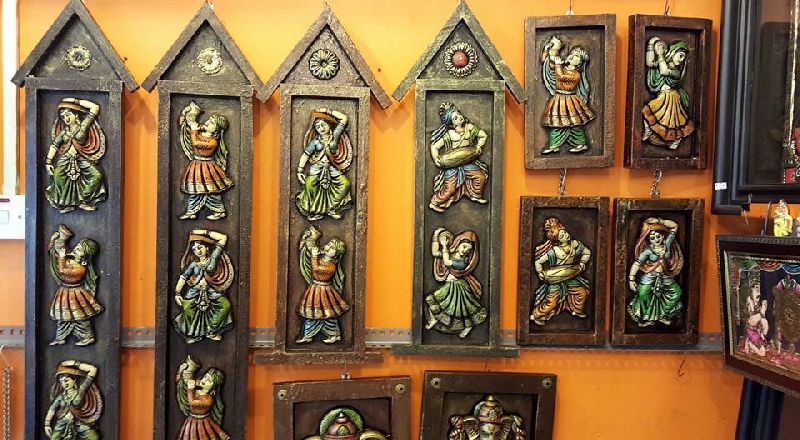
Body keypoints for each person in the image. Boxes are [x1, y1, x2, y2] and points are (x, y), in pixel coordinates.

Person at [45, 98, 107, 213]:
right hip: (66, 159)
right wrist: (48, 162)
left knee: (96, 175)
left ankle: (85, 200)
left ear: (76, 115)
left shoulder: (83, 126)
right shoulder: (64, 132)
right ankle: (65, 203)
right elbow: (54, 146)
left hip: (81, 158)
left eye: (68, 115)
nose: (66, 119)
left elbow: (95, 108)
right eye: (63, 117)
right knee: (57, 175)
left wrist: (74, 101)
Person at [173, 230, 234, 343]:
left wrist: (202, 232)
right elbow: (183, 277)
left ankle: (212, 331)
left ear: (207, 247)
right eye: (195, 249)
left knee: (225, 305)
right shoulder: (193, 265)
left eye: (200, 247)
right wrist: (177, 293)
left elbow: (223, 238)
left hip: (212, 291)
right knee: (187, 309)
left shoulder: (213, 259)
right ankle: (193, 334)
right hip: (195, 291)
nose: (198, 251)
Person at [425, 228, 486, 338]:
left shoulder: (463, 262)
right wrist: (436, 236)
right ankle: (433, 319)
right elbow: (435, 253)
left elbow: (447, 262)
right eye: (464, 247)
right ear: (457, 244)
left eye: (468, 250)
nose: (465, 251)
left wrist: (444, 246)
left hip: (459, 288)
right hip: (449, 286)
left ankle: (468, 327)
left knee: (463, 310)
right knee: (432, 300)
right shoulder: (451, 254)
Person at [48, 225, 103, 346]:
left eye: (78, 250)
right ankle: (60, 337)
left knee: (80, 317)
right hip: (64, 292)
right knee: (63, 316)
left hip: (75, 294)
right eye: (77, 247)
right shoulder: (70, 259)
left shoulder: (80, 268)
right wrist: (53, 241)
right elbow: (54, 253)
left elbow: (63, 270)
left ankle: (87, 336)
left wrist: (62, 258)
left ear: (84, 256)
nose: (75, 250)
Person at [429, 102, 489, 212]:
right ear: (452, 123)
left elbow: (483, 135)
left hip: (467, 162)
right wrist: (436, 159)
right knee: (450, 189)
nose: (459, 117)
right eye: (455, 118)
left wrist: (478, 146)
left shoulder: (469, 128)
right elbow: (434, 146)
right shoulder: (449, 134)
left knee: (480, 177)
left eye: (459, 114)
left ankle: (475, 195)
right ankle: (434, 202)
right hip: (452, 165)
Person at [178, 101, 234, 220]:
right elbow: (187, 134)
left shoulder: (213, 142)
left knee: (212, 191)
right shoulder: (201, 134)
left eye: (212, 123)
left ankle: (219, 211)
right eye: (209, 120)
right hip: (196, 167)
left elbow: (196, 143)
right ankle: (191, 212)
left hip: (207, 168)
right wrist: (186, 118)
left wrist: (194, 130)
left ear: (217, 130)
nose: (207, 122)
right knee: (194, 191)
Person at [540, 36, 596, 154]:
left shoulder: (576, 74)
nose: (572, 56)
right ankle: (554, 145)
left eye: (576, 56)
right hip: (558, 99)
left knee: (574, 124)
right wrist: (546, 51)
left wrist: (558, 65)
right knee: (557, 124)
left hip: (570, 101)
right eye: (572, 54)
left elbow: (561, 77)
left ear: (580, 63)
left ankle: (581, 144)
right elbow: (548, 64)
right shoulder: (563, 67)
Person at [530, 218, 591, 325]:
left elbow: (587, 252)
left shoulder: (574, 244)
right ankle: (536, 315)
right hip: (555, 278)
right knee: (552, 302)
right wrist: (540, 273)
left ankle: (576, 310)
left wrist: (582, 262)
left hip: (570, 275)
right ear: (557, 239)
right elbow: (538, 261)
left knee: (582, 292)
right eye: (562, 236)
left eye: (565, 232)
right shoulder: (554, 251)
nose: (566, 235)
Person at [296, 108, 353, 221]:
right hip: (317, 168)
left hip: (332, 168)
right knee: (309, 184)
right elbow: (305, 155)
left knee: (345, 184)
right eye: (318, 127)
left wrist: (326, 111)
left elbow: (344, 118)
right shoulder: (315, 142)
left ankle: (332, 208)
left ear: (329, 124)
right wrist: (300, 171)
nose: (321, 128)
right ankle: (315, 211)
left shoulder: (335, 136)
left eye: (323, 125)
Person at [296, 226, 350, 344]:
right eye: (328, 245)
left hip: (324, 292)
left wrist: (314, 256)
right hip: (315, 290)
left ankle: (334, 334)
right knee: (312, 314)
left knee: (328, 314)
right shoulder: (321, 258)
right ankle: (308, 335)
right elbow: (310, 255)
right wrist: (309, 240)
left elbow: (316, 270)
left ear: (336, 254)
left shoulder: (331, 266)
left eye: (332, 248)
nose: (327, 248)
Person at [627, 217, 684, 326]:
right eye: (652, 238)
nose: (656, 239)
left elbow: (674, 226)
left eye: (658, 236)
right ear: (649, 239)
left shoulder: (667, 244)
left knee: (676, 292)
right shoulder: (648, 251)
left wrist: (659, 221)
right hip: (650, 276)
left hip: (665, 276)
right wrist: (631, 279)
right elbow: (637, 263)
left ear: (663, 236)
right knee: (643, 294)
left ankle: (662, 315)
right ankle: (647, 318)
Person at [642, 37, 694, 149]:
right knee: (648, 111)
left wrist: (660, 55)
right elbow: (650, 63)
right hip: (663, 96)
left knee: (674, 122)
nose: (681, 60)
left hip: (671, 97)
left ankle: (676, 141)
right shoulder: (663, 63)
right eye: (680, 55)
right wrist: (651, 44)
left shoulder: (676, 71)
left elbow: (664, 71)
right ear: (672, 52)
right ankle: (648, 130)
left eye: (684, 58)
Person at [44, 360, 102, 440]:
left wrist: (73, 363)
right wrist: (47, 424)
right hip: (63, 423)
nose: (64, 384)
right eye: (61, 382)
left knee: (94, 437)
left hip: (80, 423)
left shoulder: (81, 391)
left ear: (74, 380)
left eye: (66, 380)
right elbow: (52, 409)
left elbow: (93, 369)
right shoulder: (61, 397)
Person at [175, 356, 229, 440]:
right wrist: (180, 372)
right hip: (191, 420)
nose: (204, 380)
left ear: (213, 386)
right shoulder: (196, 391)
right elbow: (180, 385)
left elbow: (192, 401)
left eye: (209, 381)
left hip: (202, 422)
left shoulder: (208, 399)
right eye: (205, 377)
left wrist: (190, 389)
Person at [744, 275, 768, 357]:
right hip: (752, 329)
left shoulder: (760, 303)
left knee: (762, 352)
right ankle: (750, 344)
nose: (759, 293)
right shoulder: (749, 300)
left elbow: (762, 324)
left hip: (757, 330)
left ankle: (750, 344)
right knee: (762, 353)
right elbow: (751, 318)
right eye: (757, 290)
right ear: (752, 290)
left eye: (760, 291)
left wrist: (762, 335)